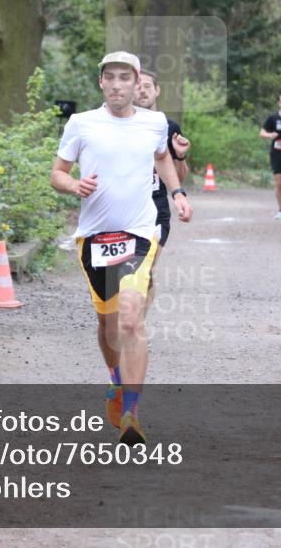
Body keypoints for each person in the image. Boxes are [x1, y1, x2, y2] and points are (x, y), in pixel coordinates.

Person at [50, 52, 193, 445]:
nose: (117, 85)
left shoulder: (155, 123)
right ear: (101, 83)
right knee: (107, 323)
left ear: (136, 84)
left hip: (139, 233)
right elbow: (57, 174)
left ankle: (131, 413)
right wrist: (72, 185)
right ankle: (116, 384)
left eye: (124, 78)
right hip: (94, 237)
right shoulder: (81, 124)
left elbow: (162, 158)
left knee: (131, 318)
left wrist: (177, 192)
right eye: (109, 78)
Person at [134, 69, 191, 250]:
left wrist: (180, 155)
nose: (142, 90)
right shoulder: (121, 126)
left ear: (157, 90)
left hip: (157, 205)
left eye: (147, 86)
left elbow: (179, 179)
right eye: (137, 86)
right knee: (127, 273)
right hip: (127, 205)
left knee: (145, 268)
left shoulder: (169, 127)